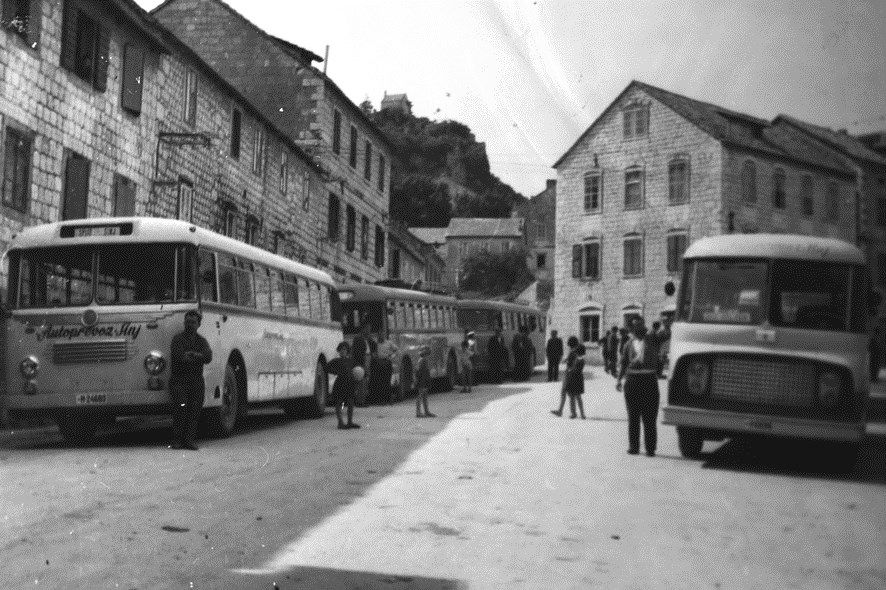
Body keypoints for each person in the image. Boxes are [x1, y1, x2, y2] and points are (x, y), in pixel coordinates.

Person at [616, 317, 671, 456]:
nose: (639, 328)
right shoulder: (628, 344)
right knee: (633, 417)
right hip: (632, 381)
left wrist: (666, 324)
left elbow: (665, 335)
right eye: (636, 326)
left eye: (641, 325)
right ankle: (633, 447)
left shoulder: (652, 339)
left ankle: (650, 448)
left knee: (650, 417)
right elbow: (623, 363)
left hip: (649, 380)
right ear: (631, 328)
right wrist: (619, 380)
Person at [169, 310, 213, 451]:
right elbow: (179, 357)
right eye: (188, 322)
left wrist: (194, 355)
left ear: (199, 324)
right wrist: (197, 356)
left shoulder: (201, 341)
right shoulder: (177, 339)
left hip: (196, 381)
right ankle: (177, 440)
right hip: (179, 380)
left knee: (194, 412)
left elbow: (208, 357)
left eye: (193, 322)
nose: (190, 325)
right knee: (181, 409)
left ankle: (189, 440)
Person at [327, 341, 360, 429]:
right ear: (339, 351)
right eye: (341, 349)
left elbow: (358, 369)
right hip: (340, 384)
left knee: (350, 403)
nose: (343, 351)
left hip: (350, 384)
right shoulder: (336, 361)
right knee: (339, 403)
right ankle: (340, 422)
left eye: (344, 349)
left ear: (347, 351)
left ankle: (350, 422)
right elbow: (326, 367)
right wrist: (335, 372)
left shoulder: (351, 361)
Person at [551, 336, 579, 417]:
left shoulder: (573, 352)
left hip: (569, 373)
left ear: (570, 344)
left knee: (567, 393)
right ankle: (566, 411)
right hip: (571, 373)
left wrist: (569, 369)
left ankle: (569, 412)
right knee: (568, 393)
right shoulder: (574, 352)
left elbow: (573, 363)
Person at [351, 322, 376, 406]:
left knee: (366, 380)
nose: (369, 331)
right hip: (362, 361)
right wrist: (361, 363)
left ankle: (363, 399)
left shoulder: (368, 339)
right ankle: (360, 401)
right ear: (363, 329)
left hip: (368, 358)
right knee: (361, 381)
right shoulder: (358, 338)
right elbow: (357, 352)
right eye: (368, 329)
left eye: (370, 329)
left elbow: (373, 346)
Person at [564, 343, 587, 419]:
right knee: (577, 397)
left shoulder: (578, 360)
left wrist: (570, 370)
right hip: (578, 379)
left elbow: (576, 369)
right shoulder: (581, 359)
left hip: (573, 378)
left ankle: (574, 413)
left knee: (572, 397)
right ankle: (582, 414)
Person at [374, 333, 398, 404]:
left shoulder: (389, 343)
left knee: (387, 381)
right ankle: (381, 400)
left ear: (384, 336)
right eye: (379, 335)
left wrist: (391, 356)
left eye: (381, 335)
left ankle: (388, 399)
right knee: (380, 382)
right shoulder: (376, 344)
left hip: (387, 362)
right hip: (378, 363)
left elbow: (396, 350)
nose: (380, 337)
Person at [414, 347, 436, 418]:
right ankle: (419, 412)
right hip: (422, 380)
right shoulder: (423, 360)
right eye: (428, 353)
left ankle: (426, 411)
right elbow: (420, 371)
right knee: (421, 395)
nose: (428, 355)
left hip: (423, 379)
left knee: (424, 396)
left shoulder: (422, 360)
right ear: (426, 354)